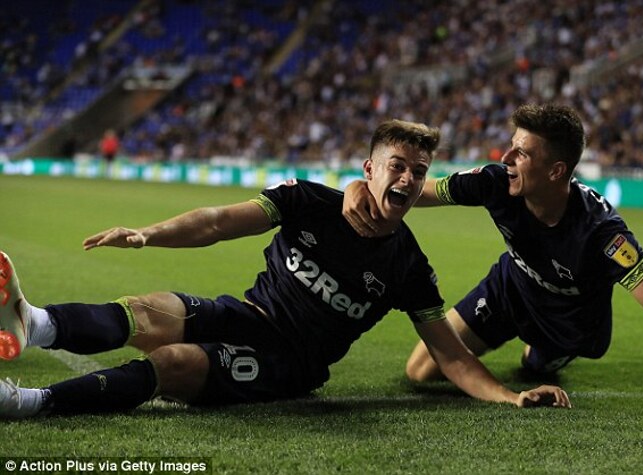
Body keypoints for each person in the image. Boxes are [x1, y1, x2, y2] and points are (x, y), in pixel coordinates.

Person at [0, 119, 570, 419]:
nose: (407, 179)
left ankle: (31, 403)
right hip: (248, 314)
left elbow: (451, 354)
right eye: (397, 165)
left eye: (418, 172)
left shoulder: (409, 267)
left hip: (289, 363)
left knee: (172, 363)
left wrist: (510, 397)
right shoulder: (309, 201)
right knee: (149, 309)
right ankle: (35, 323)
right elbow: (219, 221)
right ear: (369, 169)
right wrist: (149, 233)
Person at [342, 105, 643, 418]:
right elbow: (418, 189)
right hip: (510, 289)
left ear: (555, 171)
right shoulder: (495, 183)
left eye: (522, 153)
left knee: (534, 366)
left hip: (567, 322)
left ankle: (541, 352)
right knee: (419, 370)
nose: (507, 157)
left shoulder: (601, 232)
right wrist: (360, 186)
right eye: (511, 146)